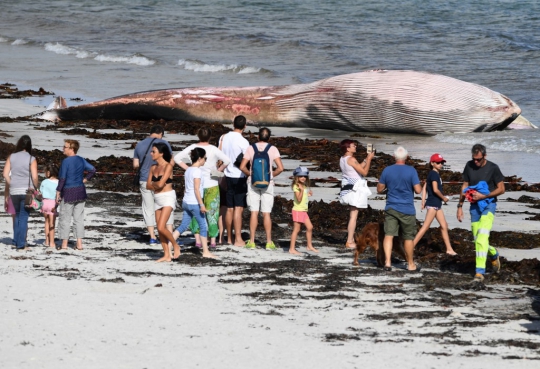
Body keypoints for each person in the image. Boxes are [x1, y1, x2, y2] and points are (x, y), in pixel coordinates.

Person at [174, 127, 230, 249]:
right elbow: (227, 160)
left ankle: (198, 239)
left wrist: (188, 169)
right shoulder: (213, 149)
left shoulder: (192, 148)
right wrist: (218, 170)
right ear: (210, 137)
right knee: (213, 213)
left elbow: (176, 158)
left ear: (198, 136)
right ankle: (213, 240)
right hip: (212, 184)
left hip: (197, 185)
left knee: (196, 213)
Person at [457, 144, 503, 282]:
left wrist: (484, 196)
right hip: (474, 207)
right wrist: (460, 206)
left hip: (489, 205)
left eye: (478, 159)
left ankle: (479, 272)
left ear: (485, 156)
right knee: (477, 239)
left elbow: (501, 189)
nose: (475, 162)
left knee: (482, 237)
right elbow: (465, 185)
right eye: (474, 159)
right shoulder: (469, 165)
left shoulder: (493, 168)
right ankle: (493, 254)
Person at [377, 146, 422, 271]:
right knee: (408, 237)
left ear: (394, 157)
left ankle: (387, 262)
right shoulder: (411, 171)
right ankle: (411, 264)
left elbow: (379, 189)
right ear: (406, 157)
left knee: (389, 235)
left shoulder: (387, 170)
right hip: (407, 208)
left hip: (391, 206)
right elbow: (418, 190)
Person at [239, 127, 284, 250]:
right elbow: (280, 168)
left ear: (258, 136)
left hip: (253, 183)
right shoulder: (273, 149)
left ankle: (252, 241)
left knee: (254, 212)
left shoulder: (251, 148)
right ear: (269, 138)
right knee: (266, 214)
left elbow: (242, 166)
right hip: (268, 184)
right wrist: (270, 175)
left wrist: (251, 175)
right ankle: (269, 242)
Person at [172, 148, 217, 259]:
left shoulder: (188, 170)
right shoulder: (197, 171)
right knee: (203, 226)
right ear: (200, 158)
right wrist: (201, 205)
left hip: (186, 202)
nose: (205, 161)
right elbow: (196, 189)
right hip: (194, 203)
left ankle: (168, 246)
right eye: (205, 158)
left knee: (183, 226)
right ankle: (205, 251)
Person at [133, 125, 174, 245]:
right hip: (162, 180)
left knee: (148, 208)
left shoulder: (139, 144)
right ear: (161, 133)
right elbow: (171, 161)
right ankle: (168, 235)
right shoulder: (164, 143)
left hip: (145, 179)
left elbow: (136, 165)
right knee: (166, 206)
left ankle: (152, 236)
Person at [56, 139, 96, 250]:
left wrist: (58, 191)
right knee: (78, 219)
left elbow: (62, 178)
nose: (63, 148)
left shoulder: (66, 161)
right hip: (80, 191)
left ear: (72, 149)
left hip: (68, 192)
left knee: (65, 218)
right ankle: (79, 244)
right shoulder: (81, 160)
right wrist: (85, 179)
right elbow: (93, 169)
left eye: (65, 147)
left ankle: (64, 244)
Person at [413, 154, 457, 255]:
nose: (440, 164)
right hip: (433, 204)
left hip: (436, 204)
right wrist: (444, 198)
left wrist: (423, 200)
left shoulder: (433, 174)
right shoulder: (434, 174)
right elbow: (435, 190)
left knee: (444, 225)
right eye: (438, 163)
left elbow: (424, 187)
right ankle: (411, 246)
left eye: (441, 162)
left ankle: (449, 249)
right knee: (425, 227)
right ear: (432, 163)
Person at [147, 143, 182, 262]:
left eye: (154, 151)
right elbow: (148, 186)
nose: (151, 153)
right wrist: (156, 185)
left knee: (162, 226)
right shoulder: (153, 167)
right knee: (159, 228)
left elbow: (161, 184)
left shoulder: (168, 166)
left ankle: (175, 245)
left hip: (168, 197)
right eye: (152, 151)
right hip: (157, 198)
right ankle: (167, 255)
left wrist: (155, 184)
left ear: (161, 153)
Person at [2, 135, 39, 250]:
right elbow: (35, 177)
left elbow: (5, 174)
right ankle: (21, 244)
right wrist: (36, 188)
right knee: (23, 217)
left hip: (14, 190)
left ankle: (16, 241)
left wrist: (11, 182)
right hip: (26, 190)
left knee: (17, 215)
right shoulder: (31, 159)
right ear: (29, 145)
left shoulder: (11, 157)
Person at [219, 115, 250, 246]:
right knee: (238, 208)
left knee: (228, 208)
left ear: (233, 124)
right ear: (245, 126)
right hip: (239, 176)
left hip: (226, 175)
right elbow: (246, 160)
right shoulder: (244, 142)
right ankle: (237, 238)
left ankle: (229, 237)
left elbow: (219, 156)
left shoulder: (223, 137)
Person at [339, 139, 375, 249]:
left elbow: (357, 168)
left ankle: (350, 240)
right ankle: (349, 241)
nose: (355, 146)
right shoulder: (351, 159)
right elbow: (364, 172)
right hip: (354, 190)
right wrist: (369, 160)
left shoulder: (343, 159)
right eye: (353, 145)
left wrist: (365, 159)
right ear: (348, 148)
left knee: (353, 215)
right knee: (353, 216)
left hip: (347, 189)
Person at [289, 166, 318, 255]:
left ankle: (309, 246)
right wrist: (301, 191)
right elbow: (298, 199)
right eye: (301, 176)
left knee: (310, 227)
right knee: (296, 229)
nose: (303, 178)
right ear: (296, 177)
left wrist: (307, 194)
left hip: (303, 211)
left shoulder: (304, 186)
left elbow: (303, 197)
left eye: (305, 176)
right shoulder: (296, 186)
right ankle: (292, 249)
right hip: (298, 210)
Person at [40, 164, 59, 248]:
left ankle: (47, 240)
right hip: (52, 203)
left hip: (44, 202)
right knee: (52, 224)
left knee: (46, 222)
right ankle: (52, 242)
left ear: (48, 172)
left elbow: (40, 192)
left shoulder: (44, 181)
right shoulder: (58, 182)